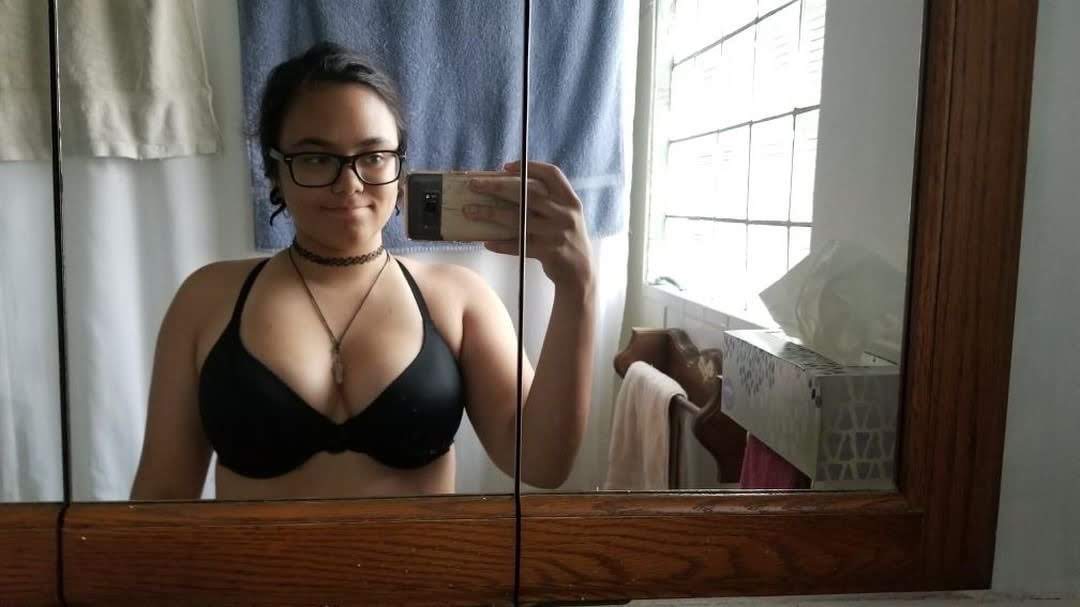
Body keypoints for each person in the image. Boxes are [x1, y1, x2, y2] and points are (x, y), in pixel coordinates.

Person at [129, 42, 595, 500]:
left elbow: (542, 464)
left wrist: (578, 287)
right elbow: (161, 494)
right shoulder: (206, 300)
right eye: (317, 158)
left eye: (372, 157)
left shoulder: (459, 299)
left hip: (422, 557)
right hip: (251, 557)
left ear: (400, 167)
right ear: (275, 171)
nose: (349, 184)